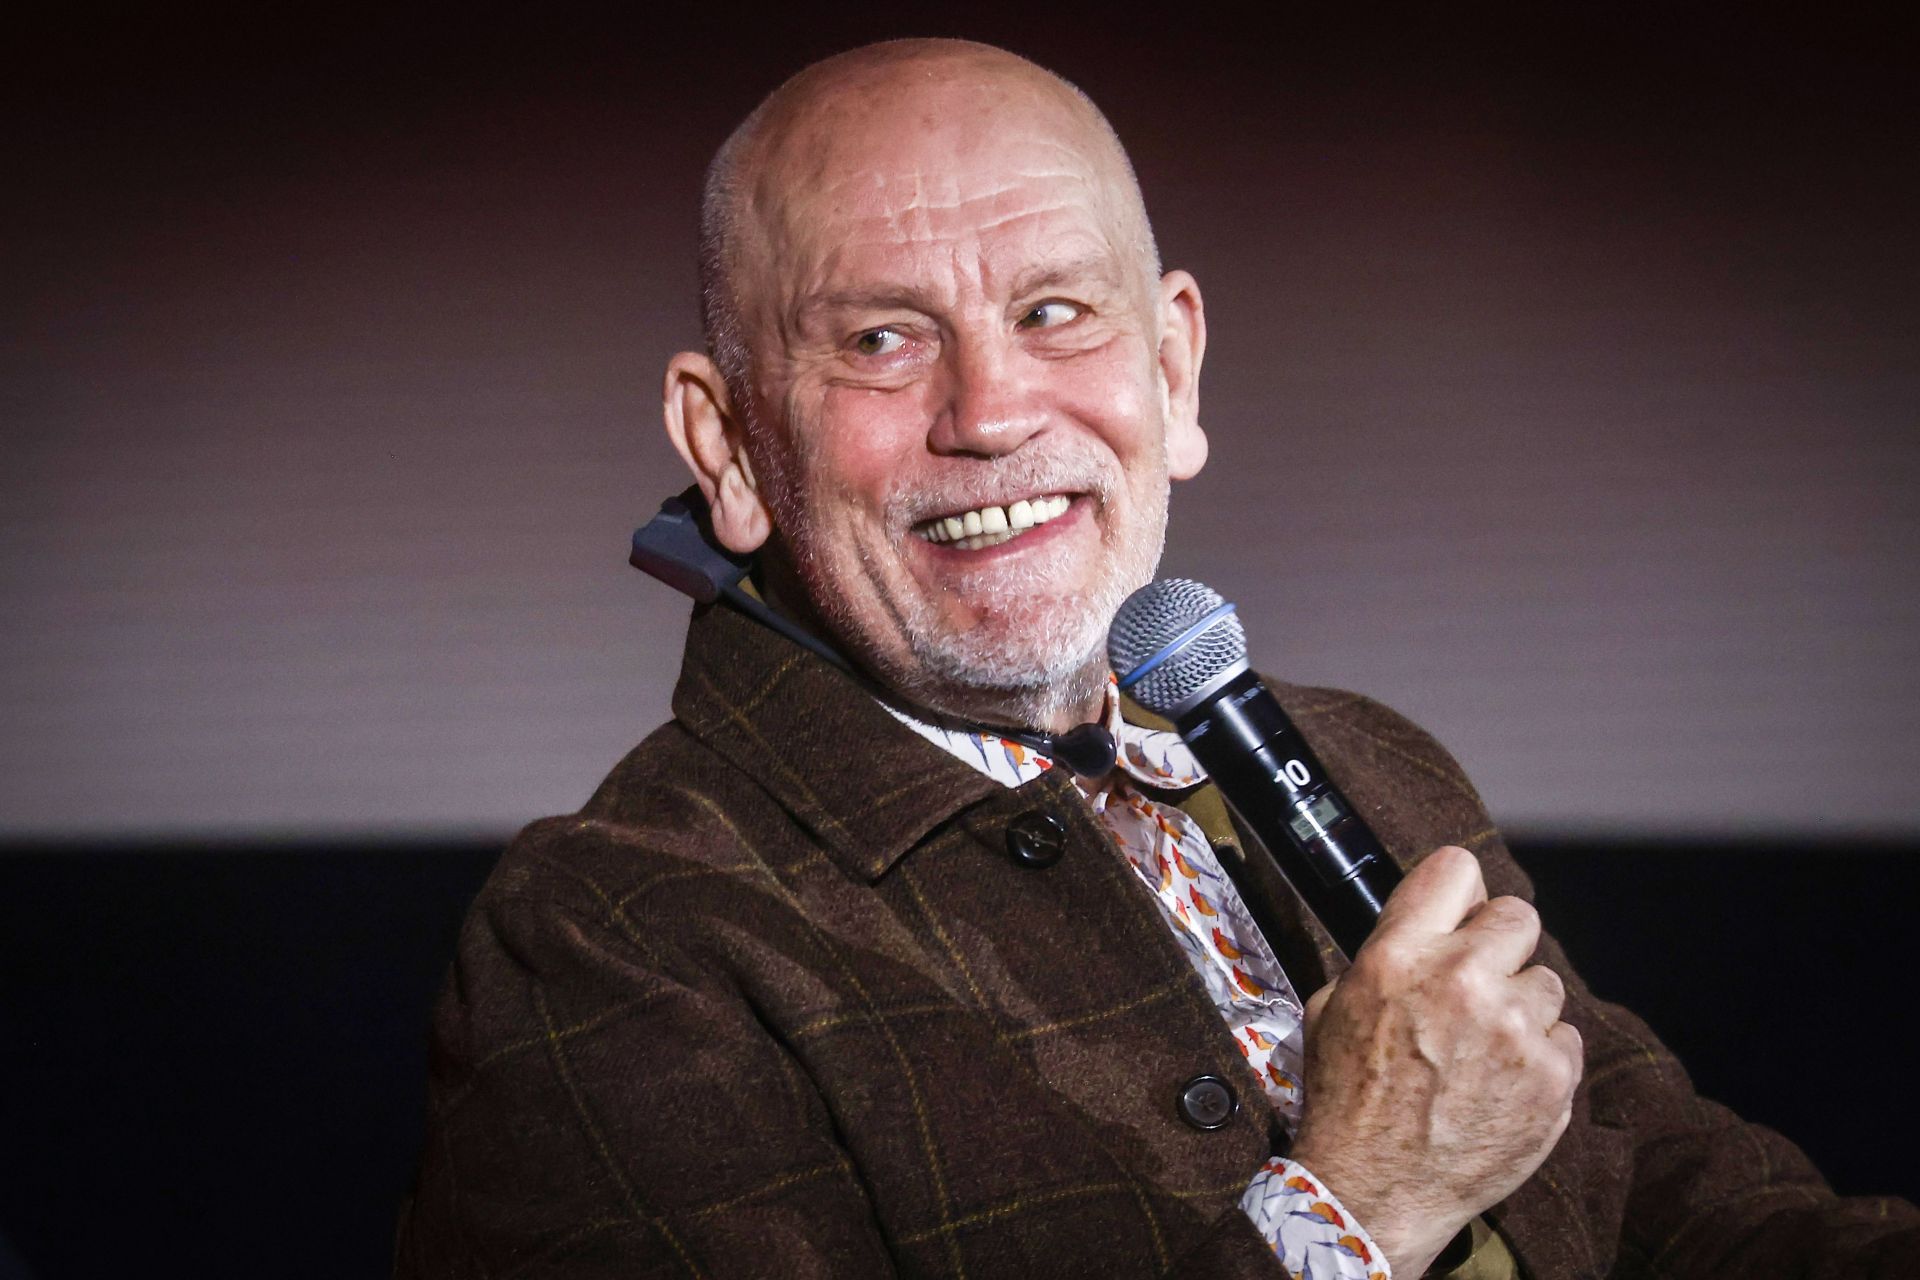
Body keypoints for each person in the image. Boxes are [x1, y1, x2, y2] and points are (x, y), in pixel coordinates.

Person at [395, 39, 1918, 1278]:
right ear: (726, 447)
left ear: (1174, 368)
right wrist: (1349, 1211)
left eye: (1056, 312)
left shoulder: (1371, 761)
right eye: (879, 342)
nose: (990, 412)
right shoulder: (607, 932)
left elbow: (1678, 1198)